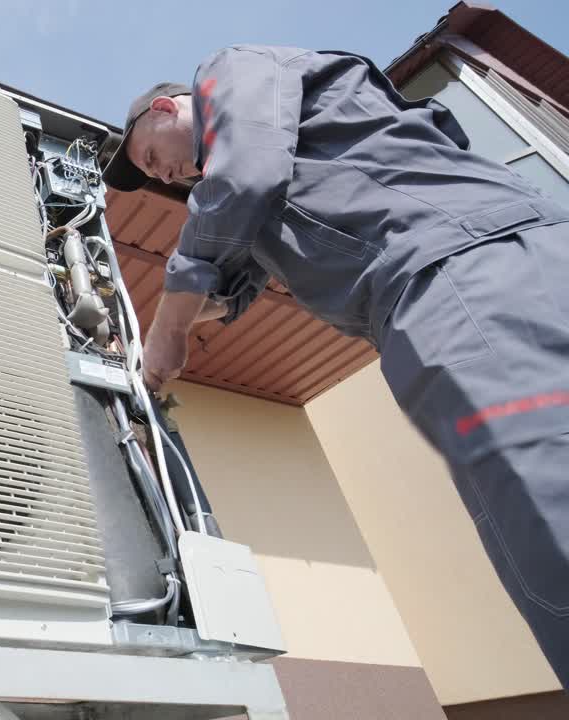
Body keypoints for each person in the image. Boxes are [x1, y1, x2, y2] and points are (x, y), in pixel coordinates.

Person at [99, 45, 569, 686]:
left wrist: (169, 326)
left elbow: (242, 182)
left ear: (164, 107)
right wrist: (161, 329)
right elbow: (231, 279)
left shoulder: (231, 74)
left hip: (461, 274)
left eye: (153, 158)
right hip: (492, 265)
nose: (166, 176)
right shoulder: (282, 164)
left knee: (543, 505)